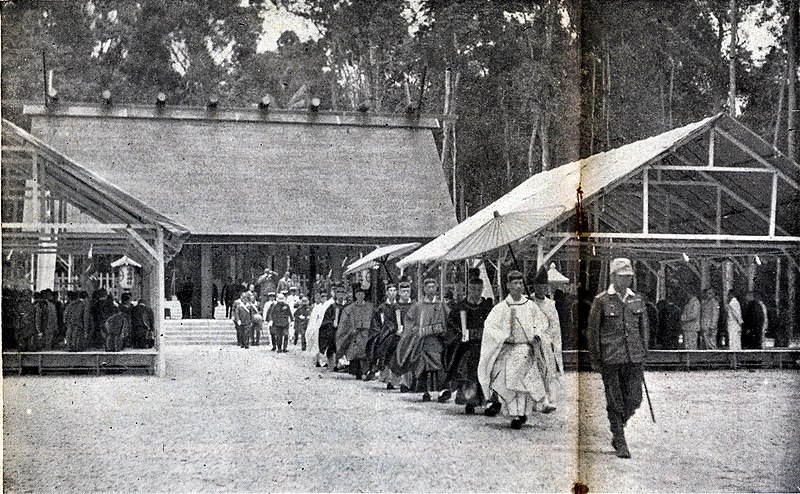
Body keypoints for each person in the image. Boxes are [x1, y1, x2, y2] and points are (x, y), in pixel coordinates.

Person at [586, 258, 649, 458]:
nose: (627, 280)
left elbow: (643, 330)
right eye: (622, 277)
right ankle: (620, 441)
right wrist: (596, 359)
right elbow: (593, 333)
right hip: (611, 359)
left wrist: (643, 353)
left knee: (635, 399)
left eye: (629, 277)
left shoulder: (637, 300)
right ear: (613, 277)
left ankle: (618, 426)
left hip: (633, 358)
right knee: (615, 401)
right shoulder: (602, 301)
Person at [478, 270, 554, 430]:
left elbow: (542, 323)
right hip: (509, 350)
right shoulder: (501, 308)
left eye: (520, 283)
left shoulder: (531, 306)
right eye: (514, 283)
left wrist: (537, 335)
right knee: (511, 383)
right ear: (508, 286)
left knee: (525, 382)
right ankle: (516, 414)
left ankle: (523, 413)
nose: (518, 286)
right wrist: (504, 337)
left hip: (526, 349)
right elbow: (489, 326)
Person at [441, 277, 493, 414]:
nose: (476, 292)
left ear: (482, 289)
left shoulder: (487, 307)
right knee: (466, 368)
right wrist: (461, 335)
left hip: (484, 345)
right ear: (468, 289)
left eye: (478, 289)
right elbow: (451, 326)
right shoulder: (460, 308)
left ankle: (488, 401)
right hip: (465, 346)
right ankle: (469, 400)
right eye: (473, 289)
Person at [393, 278, 450, 402]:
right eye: (428, 287)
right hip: (422, 342)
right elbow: (409, 321)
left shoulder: (441, 305)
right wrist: (416, 331)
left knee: (439, 365)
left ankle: (442, 391)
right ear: (424, 289)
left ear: (436, 288)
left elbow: (449, 320)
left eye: (433, 287)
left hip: (437, 341)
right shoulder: (418, 306)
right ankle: (426, 391)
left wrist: (443, 330)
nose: (430, 290)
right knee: (423, 366)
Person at [530, 265, 564, 411]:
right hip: (532, 340)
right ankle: (534, 401)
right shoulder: (528, 301)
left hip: (547, 340)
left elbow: (554, 326)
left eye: (544, 286)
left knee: (548, 370)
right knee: (533, 371)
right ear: (534, 286)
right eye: (538, 286)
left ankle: (549, 398)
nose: (541, 289)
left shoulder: (551, 304)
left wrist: (550, 341)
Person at [336, 284, 375, 379]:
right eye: (358, 294)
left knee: (366, 352)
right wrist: (350, 330)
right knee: (355, 352)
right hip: (354, 334)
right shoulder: (349, 309)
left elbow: (375, 320)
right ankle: (357, 371)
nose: (360, 296)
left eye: (362, 294)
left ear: (364, 295)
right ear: (356, 295)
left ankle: (365, 372)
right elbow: (344, 322)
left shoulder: (370, 307)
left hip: (366, 334)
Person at [365, 283, 398, 381]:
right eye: (390, 291)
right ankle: (382, 372)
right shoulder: (382, 307)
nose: (392, 293)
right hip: (384, 332)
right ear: (387, 293)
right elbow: (378, 322)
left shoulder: (398, 305)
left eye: (394, 291)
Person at [319, 285, 347, 369]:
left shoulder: (347, 307)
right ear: (336, 295)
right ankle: (332, 363)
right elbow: (326, 320)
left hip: (344, 330)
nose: (341, 296)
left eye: (342, 293)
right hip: (334, 330)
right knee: (332, 345)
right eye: (339, 293)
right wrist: (332, 323)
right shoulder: (331, 307)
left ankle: (342, 363)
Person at [307, 290, 334, 367]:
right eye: (322, 296)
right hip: (317, 327)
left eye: (325, 296)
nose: (323, 298)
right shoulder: (317, 307)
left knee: (324, 344)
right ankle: (317, 360)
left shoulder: (328, 305)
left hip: (325, 326)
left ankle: (324, 361)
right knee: (316, 344)